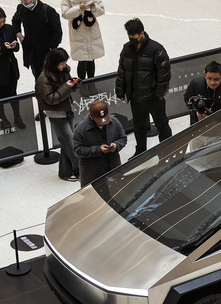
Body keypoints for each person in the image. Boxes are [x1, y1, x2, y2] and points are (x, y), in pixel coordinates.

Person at [115, 18, 172, 159]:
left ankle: (168, 151)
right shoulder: (126, 49)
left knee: (162, 125)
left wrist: (158, 95)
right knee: (139, 127)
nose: (131, 40)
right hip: (135, 97)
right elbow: (122, 71)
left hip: (153, 98)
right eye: (129, 36)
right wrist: (120, 91)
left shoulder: (156, 49)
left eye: (134, 37)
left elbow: (164, 75)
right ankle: (140, 151)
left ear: (142, 33)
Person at [35, 48, 80, 182]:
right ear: (54, 63)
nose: (64, 66)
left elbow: (66, 89)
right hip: (56, 114)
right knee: (70, 144)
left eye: (65, 63)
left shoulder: (64, 71)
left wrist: (75, 84)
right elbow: (51, 99)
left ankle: (65, 173)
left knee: (68, 143)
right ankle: (78, 170)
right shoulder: (43, 79)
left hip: (68, 108)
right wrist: (67, 87)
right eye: (61, 63)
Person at [72, 100, 126, 186]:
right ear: (91, 116)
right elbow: (77, 150)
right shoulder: (80, 129)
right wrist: (98, 150)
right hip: (92, 173)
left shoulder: (115, 122)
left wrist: (116, 145)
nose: (103, 123)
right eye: (100, 121)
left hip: (113, 167)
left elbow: (123, 138)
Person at [12, 0, 62, 80]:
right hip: (32, 53)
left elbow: (57, 33)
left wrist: (50, 48)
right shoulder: (21, 9)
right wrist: (19, 35)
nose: (24, 2)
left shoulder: (48, 11)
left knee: (49, 81)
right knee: (38, 80)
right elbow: (15, 21)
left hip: (46, 54)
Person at [60, 0, 105, 80]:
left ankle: (92, 83)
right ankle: (82, 85)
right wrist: (79, 8)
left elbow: (101, 11)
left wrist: (94, 7)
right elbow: (65, 14)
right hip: (78, 34)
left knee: (91, 59)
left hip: (92, 32)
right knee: (82, 60)